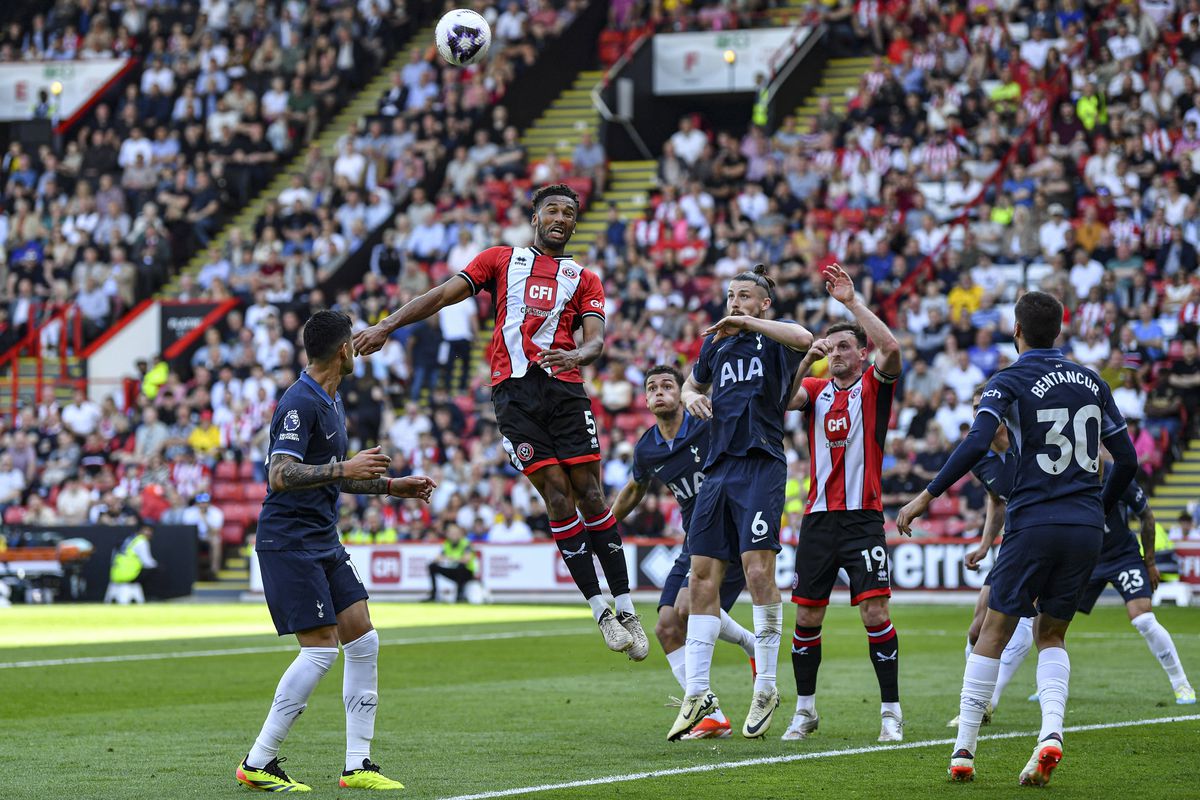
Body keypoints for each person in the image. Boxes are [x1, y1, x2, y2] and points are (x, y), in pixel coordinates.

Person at [353, 184, 648, 659]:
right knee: (557, 495)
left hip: (566, 387)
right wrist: (386, 325)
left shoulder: (584, 278)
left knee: (591, 494)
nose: (560, 217)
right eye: (551, 210)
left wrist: (578, 354)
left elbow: (596, 341)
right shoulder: (500, 259)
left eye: (568, 213)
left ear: (575, 224)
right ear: (535, 218)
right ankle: (601, 611)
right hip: (514, 394)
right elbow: (442, 295)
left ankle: (627, 608)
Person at [897, 291, 1138, 786]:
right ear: (1060, 329)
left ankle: (964, 750)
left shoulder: (1007, 380)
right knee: (1051, 634)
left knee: (993, 630)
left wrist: (927, 495)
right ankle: (1050, 734)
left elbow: (976, 441)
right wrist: (1098, 508)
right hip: (1084, 527)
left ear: (1016, 330)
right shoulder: (1092, 380)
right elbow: (1128, 461)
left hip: (1033, 522)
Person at [237, 310, 436, 793]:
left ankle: (357, 764)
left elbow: (333, 474)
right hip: (289, 541)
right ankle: (258, 761)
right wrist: (346, 467)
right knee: (322, 649)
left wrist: (390, 486)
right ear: (344, 350)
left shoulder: (332, 399)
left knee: (363, 639)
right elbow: (280, 475)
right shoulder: (299, 401)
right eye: (353, 343)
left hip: (323, 538)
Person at [667, 264, 814, 741]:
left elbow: (804, 336)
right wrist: (690, 396)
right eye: (731, 295)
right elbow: (693, 383)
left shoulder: (773, 339)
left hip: (760, 463)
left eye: (745, 296)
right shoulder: (716, 344)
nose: (734, 302)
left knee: (757, 573)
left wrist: (747, 322)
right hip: (718, 468)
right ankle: (697, 693)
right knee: (700, 578)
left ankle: (766, 686)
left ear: (763, 304)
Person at [782, 263, 906, 743]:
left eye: (844, 347)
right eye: (830, 348)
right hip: (817, 521)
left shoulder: (874, 387)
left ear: (860, 353)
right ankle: (805, 711)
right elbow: (780, 401)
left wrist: (852, 303)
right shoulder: (814, 391)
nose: (835, 354)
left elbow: (892, 348)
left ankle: (891, 713)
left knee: (875, 615)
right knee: (807, 617)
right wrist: (803, 360)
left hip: (863, 520)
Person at [611, 365, 757, 740]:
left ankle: (751, 644)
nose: (659, 392)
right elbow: (635, 489)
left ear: (682, 393)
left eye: (667, 386)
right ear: (645, 400)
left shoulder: (706, 422)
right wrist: (604, 525)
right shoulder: (647, 447)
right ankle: (713, 716)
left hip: (729, 531)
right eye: (652, 388)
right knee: (665, 626)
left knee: (689, 607)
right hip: (695, 538)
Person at [946, 386, 1034, 728]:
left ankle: (986, 701)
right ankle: (976, 697)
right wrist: (985, 545)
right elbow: (996, 500)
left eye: (982, 406)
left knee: (1025, 618)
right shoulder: (979, 457)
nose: (977, 413)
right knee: (975, 629)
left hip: (1040, 541)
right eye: (974, 407)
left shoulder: (1028, 442)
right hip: (1010, 544)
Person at [107, 523, 158, 603]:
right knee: (156, 571)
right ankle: (152, 598)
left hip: (114, 575)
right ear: (140, 530)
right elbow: (147, 562)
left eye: (150, 530)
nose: (148, 533)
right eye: (146, 530)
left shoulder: (128, 539)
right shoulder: (141, 541)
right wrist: (157, 566)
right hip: (130, 576)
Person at [426, 523, 477, 603]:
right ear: (447, 534)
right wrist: (445, 559)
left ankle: (459, 596)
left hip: (467, 572)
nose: (454, 535)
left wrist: (451, 558)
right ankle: (433, 595)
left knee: (461, 567)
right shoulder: (447, 543)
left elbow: (466, 559)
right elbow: (438, 558)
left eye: (456, 533)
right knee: (432, 566)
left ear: (460, 533)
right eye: (451, 533)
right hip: (453, 569)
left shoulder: (466, 543)